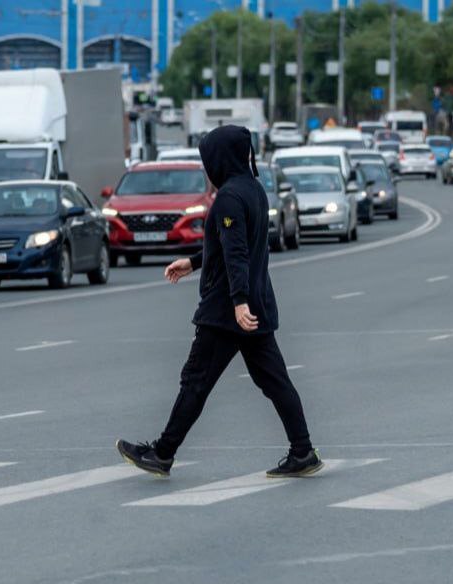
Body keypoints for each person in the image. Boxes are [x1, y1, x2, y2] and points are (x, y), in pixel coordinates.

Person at [116, 124, 321, 479]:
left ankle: (163, 453)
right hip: (255, 308)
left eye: (207, 159)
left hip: (227, 313)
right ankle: (302, 451)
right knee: (276, 383)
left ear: (219, 159)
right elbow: (230, 244)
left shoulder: (228, 197)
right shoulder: (253, 190)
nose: (205, 166)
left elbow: (237, 252)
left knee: (195, 381)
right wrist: (194, 262)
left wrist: (238, 302)